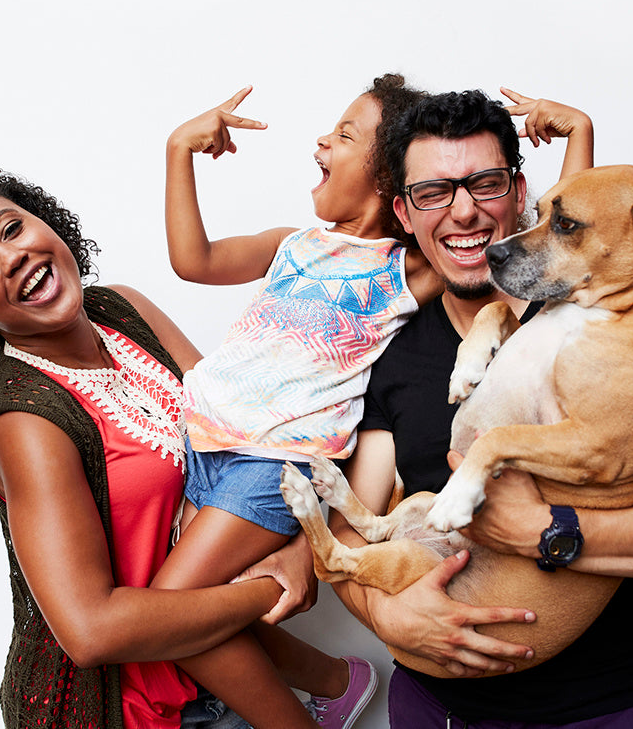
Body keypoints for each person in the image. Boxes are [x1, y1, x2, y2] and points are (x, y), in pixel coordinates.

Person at [158, 76, 593, 728]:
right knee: (201, 611)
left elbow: (550, 250)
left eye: (345, 133)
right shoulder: (293, 243)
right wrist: (177, 152)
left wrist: (579, 137)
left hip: (276, 462)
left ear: (387, 183)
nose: (322, 140)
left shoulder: (403, 266)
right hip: (205, 443)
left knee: (163, 612)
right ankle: (335, 682)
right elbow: (194, 260)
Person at [329, 90, 633, 727]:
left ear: (517, 191)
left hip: (599, 707)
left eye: (484, 183)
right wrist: (384, 614)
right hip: (434, 707)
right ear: (404, 211)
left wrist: (549, 531)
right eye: (433, 193)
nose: (464, 212)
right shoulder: (391, 353)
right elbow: (355, 521)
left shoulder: (609, 329)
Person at [0, 171, 323, 729]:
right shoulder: (25, 422)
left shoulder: (122, 308)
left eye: (12, 228)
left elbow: (243, 437)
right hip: (132, 713)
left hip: (230, 678)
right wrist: (275, 587)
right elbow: (91, 631)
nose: (12, 257)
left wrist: (302, 545)